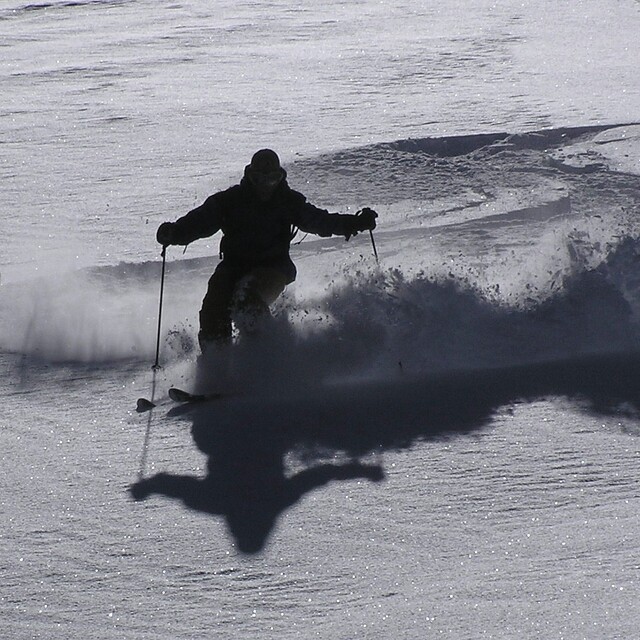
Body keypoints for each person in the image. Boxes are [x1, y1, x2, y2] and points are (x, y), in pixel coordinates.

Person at [156, 148, 378, 352]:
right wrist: (175, 233)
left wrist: (354, 223)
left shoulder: (288, 202)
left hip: (274, 266)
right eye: (259, 178)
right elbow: (200, 221)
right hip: (234, 266)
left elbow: (319, 221)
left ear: (280, 177)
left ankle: (265, 358)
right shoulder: (230, 201)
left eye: (273, 178)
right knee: (215, 305)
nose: (266, 185)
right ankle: (217, 368)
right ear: (249, 176)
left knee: (248, 299)